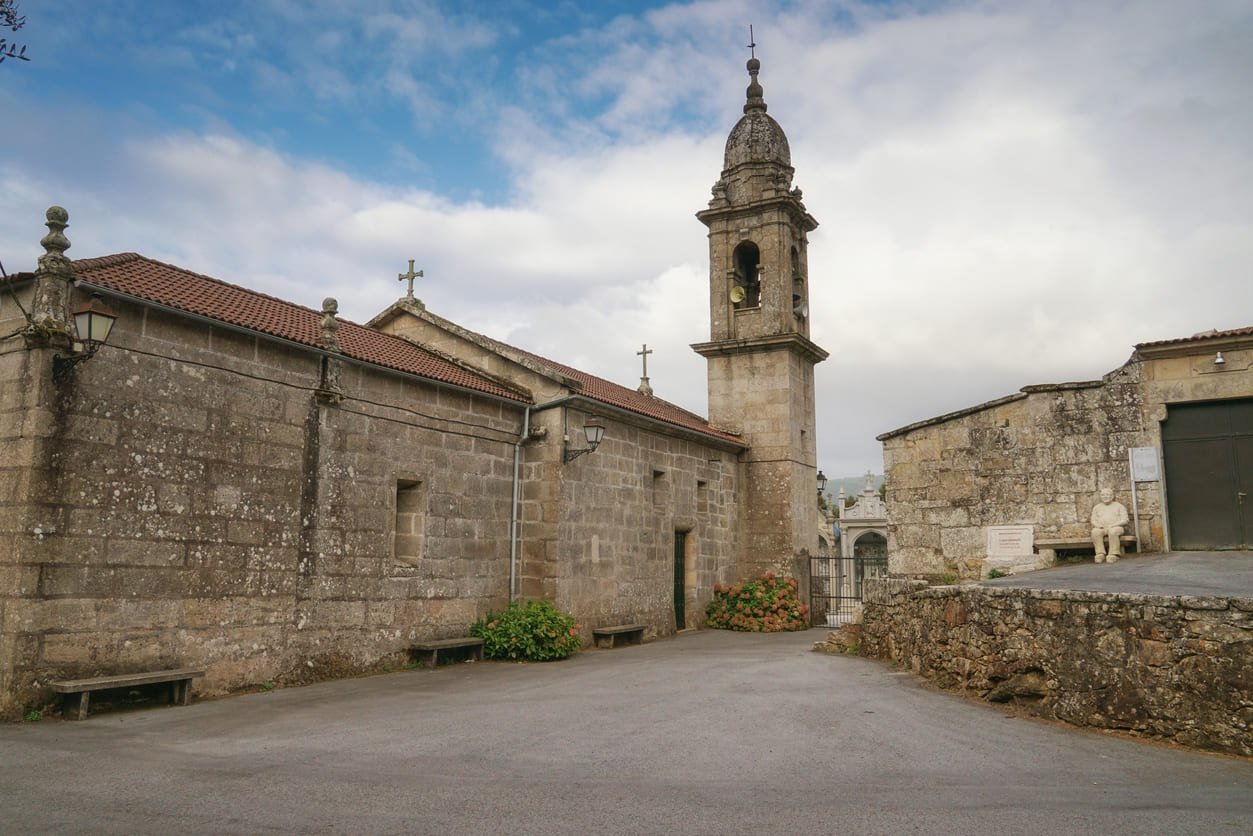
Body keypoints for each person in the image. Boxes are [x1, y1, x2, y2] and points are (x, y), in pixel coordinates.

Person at [1090, 488, 1130, 563]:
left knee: (1112, 531)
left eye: (1107, 494)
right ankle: (1100, 553)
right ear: (1100, 496)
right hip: (1102, 528)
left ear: (1112, 496)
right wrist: (1098, 525)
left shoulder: (1119, 506)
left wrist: (1113, 525)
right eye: (1103, 495)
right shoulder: (1097, 507)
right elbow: (1093, 520)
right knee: (1095, 532)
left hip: (1116, 527)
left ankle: (1114, 554)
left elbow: (1125, 520)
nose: (1105, 496)